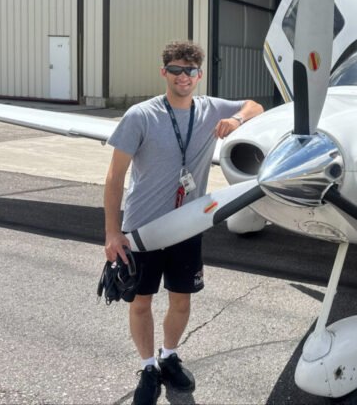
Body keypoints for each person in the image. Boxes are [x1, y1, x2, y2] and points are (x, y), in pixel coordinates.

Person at [104, 40, 263, 405]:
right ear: (164, 73)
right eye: (175, 70)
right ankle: (147, 368)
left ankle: (169, 355)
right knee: (141, 302)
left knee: (181, 301)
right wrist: (113, 231)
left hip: (188, 227)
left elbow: (255, 105)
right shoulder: (141, 115)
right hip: (143, 229)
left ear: (199, 75)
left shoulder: (210, 109)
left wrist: (236, 120)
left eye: (190, 71)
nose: (183, 77)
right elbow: (114, 177)